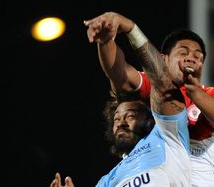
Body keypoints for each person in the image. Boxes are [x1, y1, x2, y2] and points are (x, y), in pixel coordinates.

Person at [85, 12, 214, 187]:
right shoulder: (155, 86)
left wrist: (195, 94)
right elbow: (119, 73)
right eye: (183, 52)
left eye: (198, 57)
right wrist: (105, 41)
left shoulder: (210, 94)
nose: (191, 58)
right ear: (163, 59)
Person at [51, 12, 192, 186]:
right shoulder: (107, 180)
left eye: (130, 116)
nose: (121, 123)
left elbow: (162, 80)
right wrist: (104, 41)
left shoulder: (168, 136)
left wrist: (130, 28)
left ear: (150, 119)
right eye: (117, 118)